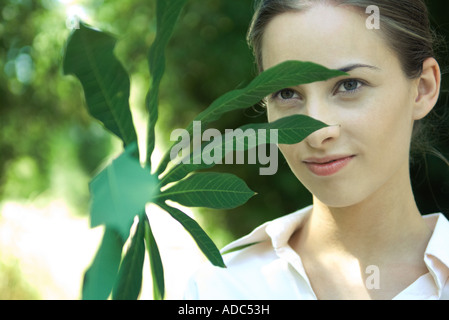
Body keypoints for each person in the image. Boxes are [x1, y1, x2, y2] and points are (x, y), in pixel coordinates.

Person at [184, 0, 449, 300]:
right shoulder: (221, 291)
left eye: (349, 85)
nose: (315, 131)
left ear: (423, 88)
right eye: (286, 93)